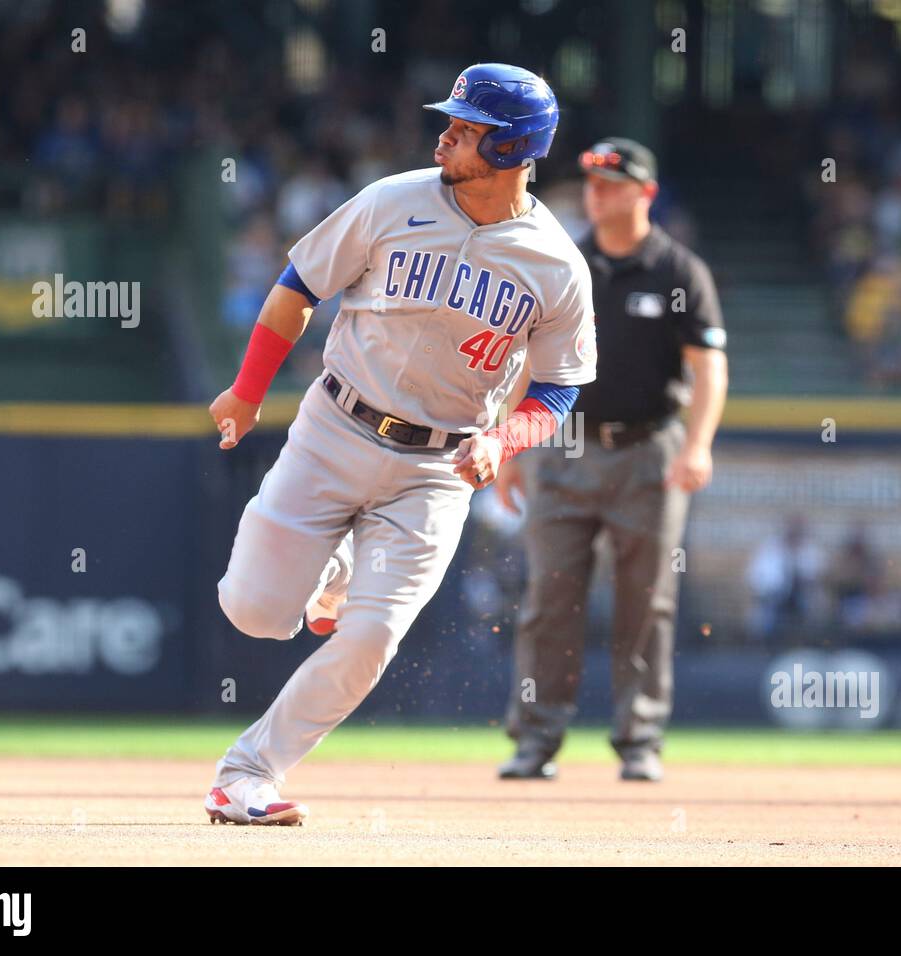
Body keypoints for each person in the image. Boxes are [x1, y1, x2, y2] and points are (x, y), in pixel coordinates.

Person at [201, 64, 596, 825]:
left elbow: (559, 387)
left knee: (373, 637)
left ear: (513, 148)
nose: (445, 132)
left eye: (467, 127)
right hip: (332, 428)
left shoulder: (555, 264)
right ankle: (333, 572)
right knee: (252, 610)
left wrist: (507, 441)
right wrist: (247, 391)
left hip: (437, 468)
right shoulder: (391, 202)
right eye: (450, 119)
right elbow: (297, 287)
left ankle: (247, 772)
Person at [495, 138, 727, 782]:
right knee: (550, 598)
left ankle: (639, 740)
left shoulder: (678, 271)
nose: (597, 194)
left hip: (648, 452)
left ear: (644, 193)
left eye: (612, 183)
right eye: (592, 183)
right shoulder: (566, 263)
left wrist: (700, 443)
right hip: (562, 447)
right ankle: (534, 742)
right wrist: (509, 447)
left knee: (646, 601)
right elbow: (526, 357)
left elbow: (709, 366)